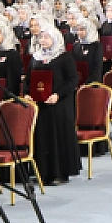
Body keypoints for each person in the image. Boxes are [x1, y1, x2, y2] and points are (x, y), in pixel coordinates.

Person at [29, 21, 81, 186]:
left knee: (57, 137)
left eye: (46, 37)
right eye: (41, 37)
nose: (43, 40)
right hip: (41, 105)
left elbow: (73, 80)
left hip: (59, 104)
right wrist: (27, 93)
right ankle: (43, 172)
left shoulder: (64, 56)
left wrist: (58, 95)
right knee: (42, 137)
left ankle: (60, 173)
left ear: (55, 38)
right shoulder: (36, 57)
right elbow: (29, 78)